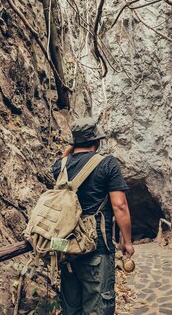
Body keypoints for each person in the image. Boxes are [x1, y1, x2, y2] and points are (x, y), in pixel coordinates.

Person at [52, 117, 134, 315]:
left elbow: (62, 163)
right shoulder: (107, 164)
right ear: (96, 141)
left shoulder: (59, 166)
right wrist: (127, 242)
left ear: (74, 143)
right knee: (97, 306)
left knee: (71, 309)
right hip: (96, 247)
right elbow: (120, 205)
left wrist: (69, 150)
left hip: (66, 247)